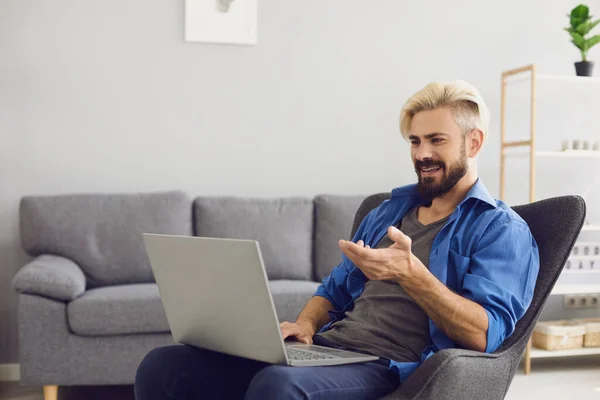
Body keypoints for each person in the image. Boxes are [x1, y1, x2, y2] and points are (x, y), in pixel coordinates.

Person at [134, 81, 540, 400]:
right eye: (415, 142)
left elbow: (486, 336)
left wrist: (412, 273)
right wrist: (306, 324)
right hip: (331, 349)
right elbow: (334, 288)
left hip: (392, 365)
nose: (422, 154)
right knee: (165, 367)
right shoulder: (388, 211)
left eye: (437, 140)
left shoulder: (500, 228)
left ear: (474, 142)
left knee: (277, 388)